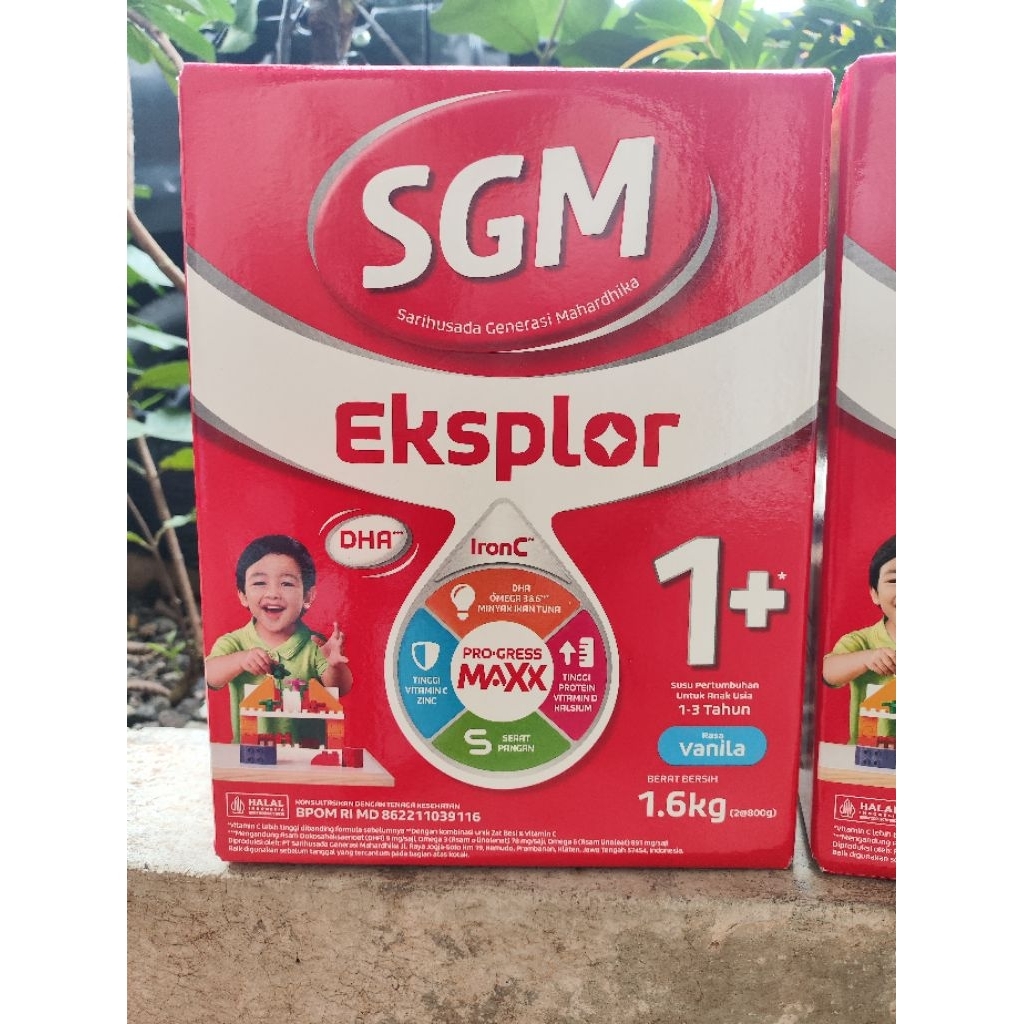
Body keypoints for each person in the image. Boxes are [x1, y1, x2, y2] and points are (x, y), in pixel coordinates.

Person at [206, 534, 353, 742]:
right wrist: (239, 660)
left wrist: (334, 666)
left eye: (286, 583)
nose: (273, 593)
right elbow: (210, 676)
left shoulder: (315, 644)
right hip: (251, 753)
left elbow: (339, 690)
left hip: (307, 754)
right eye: (260, 582)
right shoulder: (234, 642)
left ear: (308, 596)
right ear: (243, 595)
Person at [822, 534, 895, 745]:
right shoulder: (861, 641)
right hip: (869, 753)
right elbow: (828, 671)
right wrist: (865, 658)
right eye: (894, 580)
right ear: (874, 593)